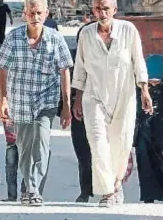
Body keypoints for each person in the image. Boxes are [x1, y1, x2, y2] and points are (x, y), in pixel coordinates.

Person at [72, 0, 153, 208]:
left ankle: (116, 183)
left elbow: (138, 61)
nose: (102, 12)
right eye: (98, 8)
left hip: (123, 97)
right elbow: (80, 68)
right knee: (98, 143)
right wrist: (77, 99)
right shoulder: (86, 34)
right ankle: (107, 192)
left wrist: (144, 90)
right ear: (93, 10)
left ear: (114, 10)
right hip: (93, 97)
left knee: (121, 142)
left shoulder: (128, 30)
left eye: (106, 8)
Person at [0, 0, 73, 207]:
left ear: (46, 14)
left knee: (41, 142)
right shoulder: (14, 38)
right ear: (24, 14)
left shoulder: (55, 39)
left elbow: (64, 71)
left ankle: (33, 189)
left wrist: (66, 106)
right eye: (31, 13)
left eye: (39, 13)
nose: (35, 17)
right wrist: (3, 100)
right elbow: (2, 68)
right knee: (25, 147)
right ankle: (29, 185)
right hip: (19, 100)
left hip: (46, 101)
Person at [134, 55, 163, 204]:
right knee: (142, 157)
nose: (154, 85)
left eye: (157, 82)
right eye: (151, 82)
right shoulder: (137, 78)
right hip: (140, 123)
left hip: (159, 123)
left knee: (157, 156)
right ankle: (148, 195)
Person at [69, 17, 96, 203]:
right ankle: (85, 190)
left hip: (100, 111)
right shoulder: (70, 60)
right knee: (83, 154)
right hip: (77, 113)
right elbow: (62, 86)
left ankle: (107, 188)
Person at [0, 102, 26, 202]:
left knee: (27, 168)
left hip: (26, 142)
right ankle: (12, 196)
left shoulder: (24, 100)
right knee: (10, 169)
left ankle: (25, 192)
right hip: (11, 142)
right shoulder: (1, 104)